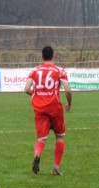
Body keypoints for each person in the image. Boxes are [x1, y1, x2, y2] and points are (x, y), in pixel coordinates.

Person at [24, 45, 72, 176]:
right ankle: (56, 167)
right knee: (60, 136)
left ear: (42, 56)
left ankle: (37, 155)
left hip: (39, 108)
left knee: (42, 138)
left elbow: (26, 88)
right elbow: (67, 89)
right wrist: (69, 103)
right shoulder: (59, 70)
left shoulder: (35, 70)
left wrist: (37, 94)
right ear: (53, 56)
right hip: (54, 107)